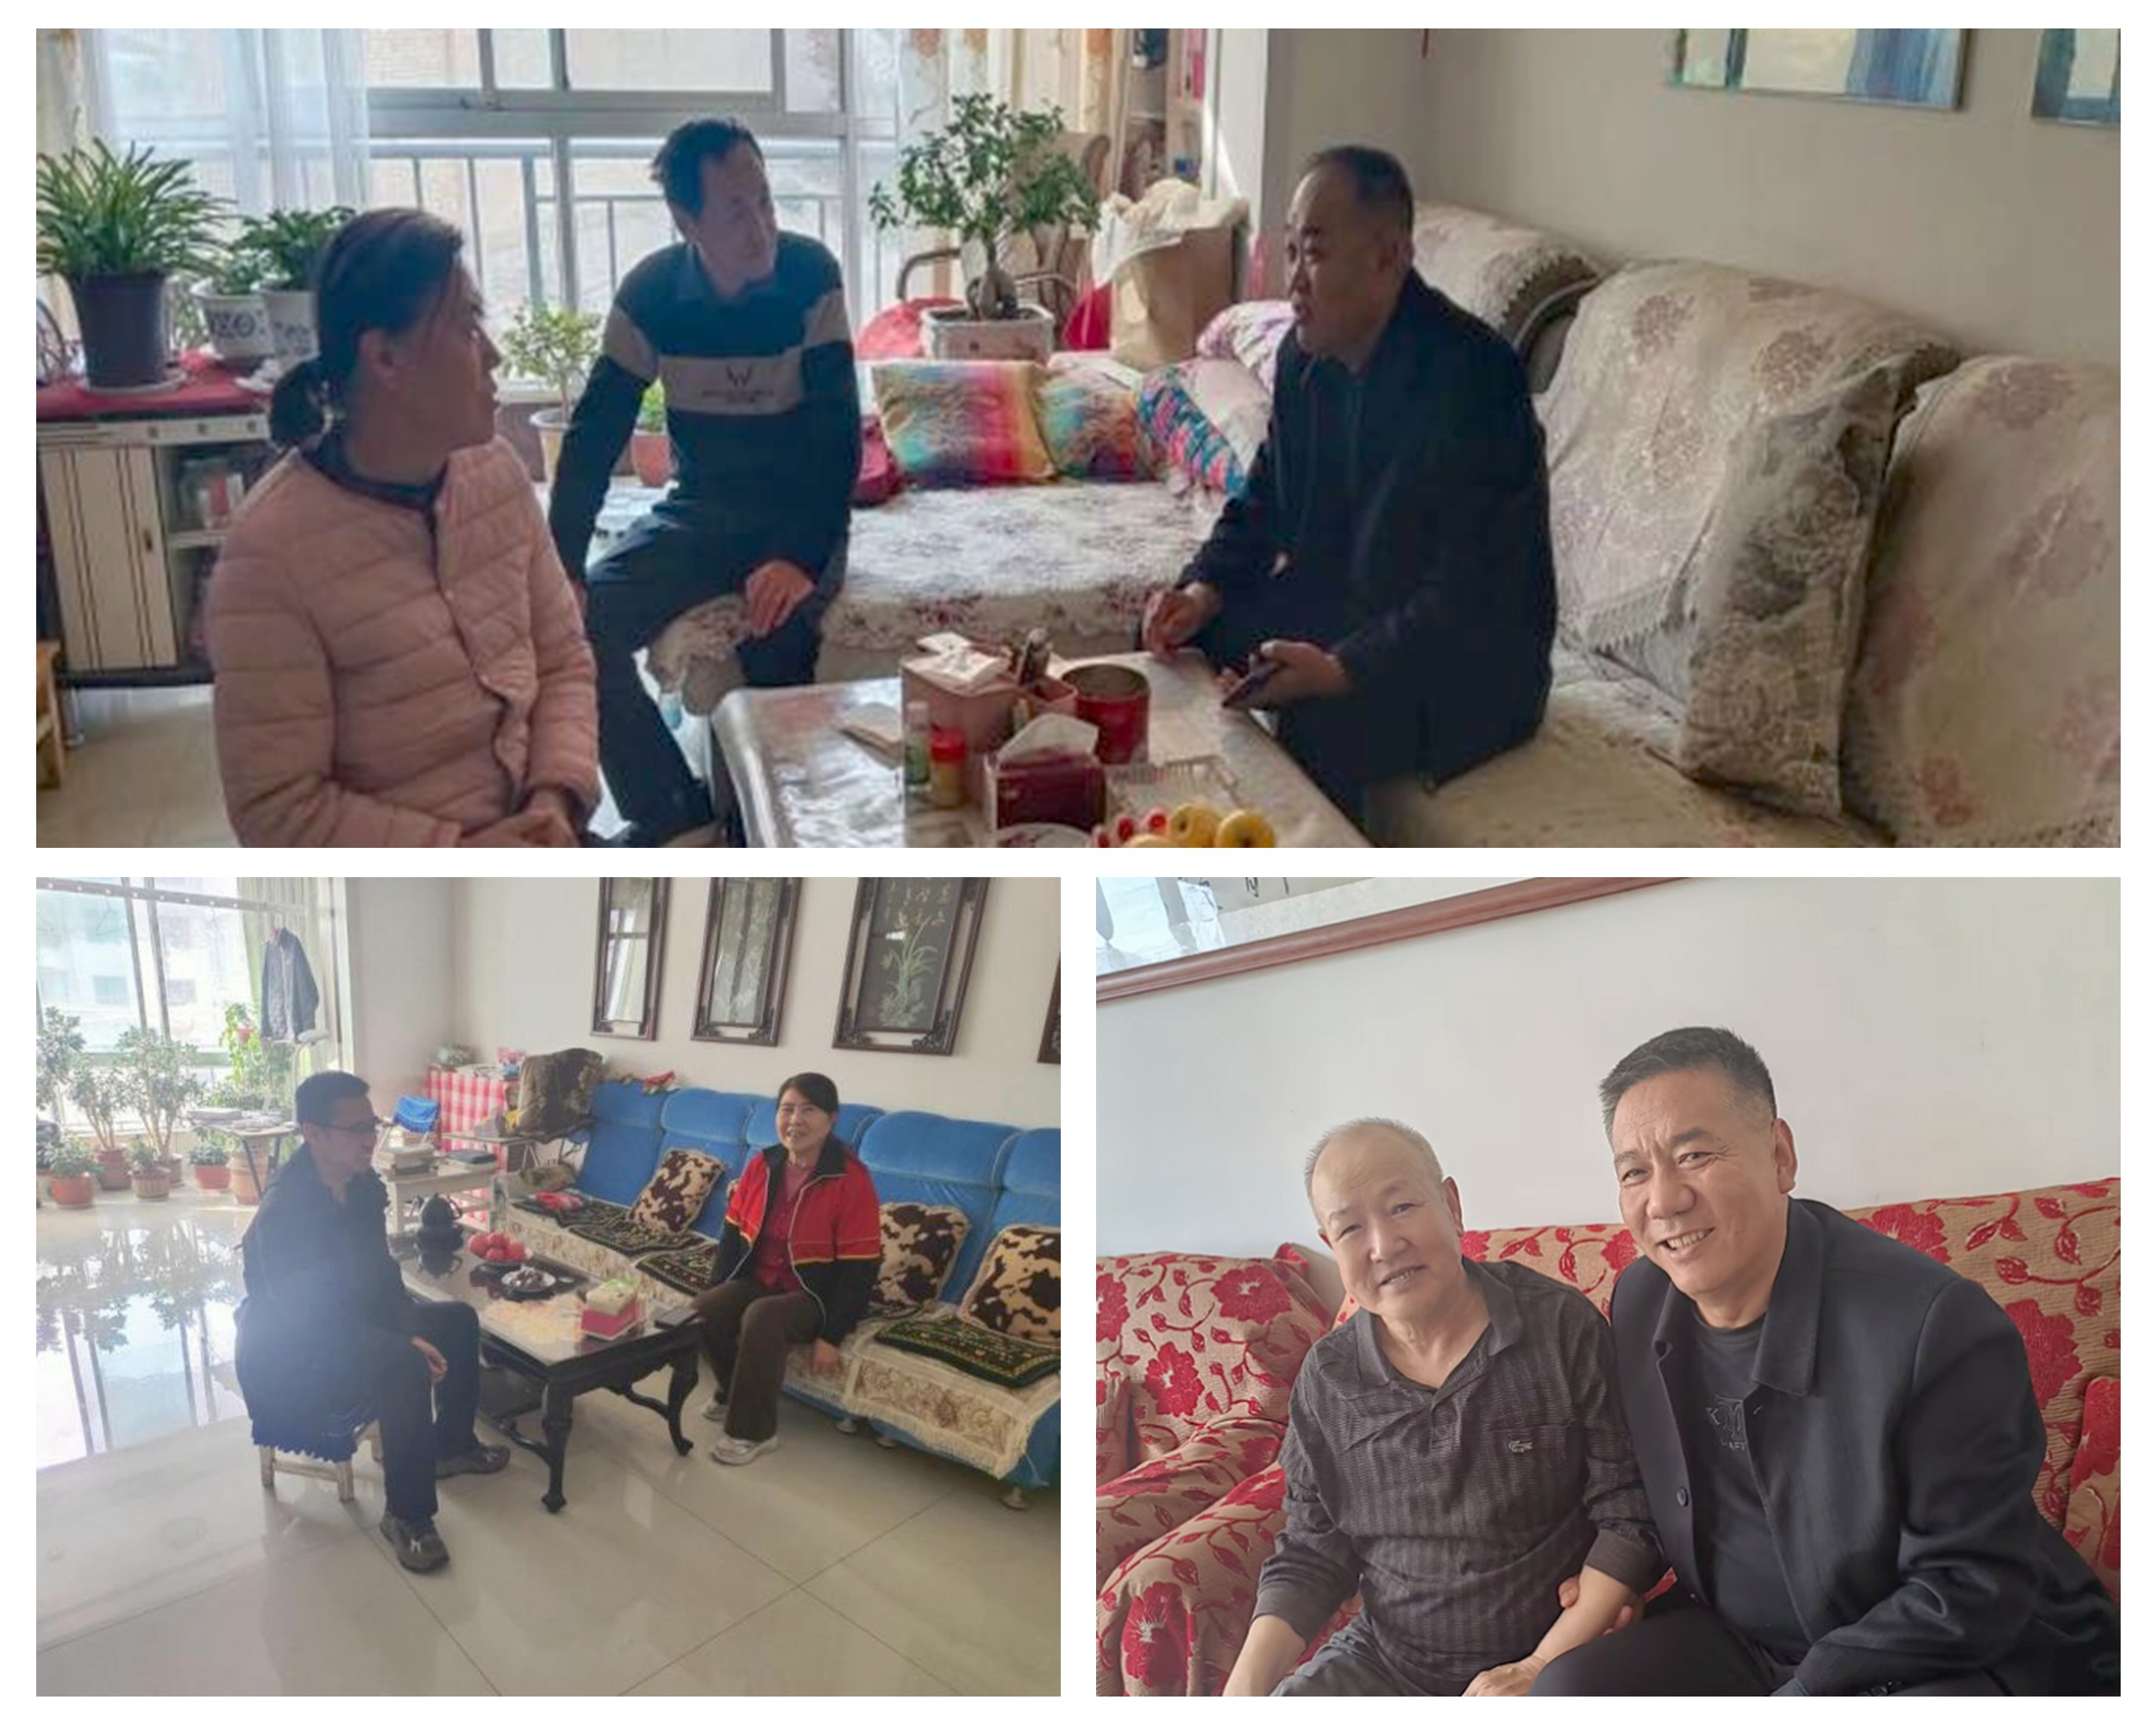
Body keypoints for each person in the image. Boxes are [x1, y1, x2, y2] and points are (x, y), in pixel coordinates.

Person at [1532, 1027, 2121, 1696]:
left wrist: (1806, 1696)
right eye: (1634, 1171)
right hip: (1741, 1637)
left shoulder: (1936, 1326)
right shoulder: (1642, 1299)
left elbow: (1970, 1587)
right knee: (1566, 1694)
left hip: (1934, 1648)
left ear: (1780, 1157)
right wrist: (1609, 1592)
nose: (1663, 1201)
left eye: (1694, 1155)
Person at [1140, 146, 1555, 829]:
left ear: (1388, 258)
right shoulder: (1304, 358)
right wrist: (1200, 591)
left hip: (1467, 655)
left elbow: (1470, 594)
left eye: (1314, 254)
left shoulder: (1475, 377)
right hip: (1349, 607)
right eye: (1290, 252)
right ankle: (1185, 820)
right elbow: (1264, 502)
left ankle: (1310, 883)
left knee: (1322, 716)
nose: (1293, 280)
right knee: (1195, 632)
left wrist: (1341, 669)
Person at [1222, 1119, 1661, 1696]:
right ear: (1331, 1245)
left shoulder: (1561, 1330)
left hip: (1550, 1654)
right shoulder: (1328, 1380)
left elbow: (1630, 1513)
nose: (1384, 1245)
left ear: (1452, 1205)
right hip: (1386, 1662)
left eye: (1402, 1207)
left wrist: (1538, 1666)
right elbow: (1311, 1553)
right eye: (1351, 1227)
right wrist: (1243, 1691)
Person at [206, 209, 598, 847]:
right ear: (386, 357)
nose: (494, 353)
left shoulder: (496, 472)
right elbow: (278, 810)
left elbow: (563, 661)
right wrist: (459, 853)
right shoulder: (270, 556)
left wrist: (554, 800)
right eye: (467, 326)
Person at [549, 116, 862, 845]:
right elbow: (595, 434)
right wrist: (562, 564)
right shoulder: (652, 294)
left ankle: (781, 836)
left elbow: (836, 438)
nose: (761, 228)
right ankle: (675, 816)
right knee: (576, 632)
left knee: (776, 643)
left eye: (766, 202)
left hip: (797, 514)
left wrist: (799, 557)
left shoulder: (810, 275)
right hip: (701, 511)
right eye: (735, 212)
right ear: (686, 222)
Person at [235, 1071, 509, 1573]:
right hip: (292, 1350)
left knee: (457, 1321)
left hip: (350, 1318)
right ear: (313, 1134)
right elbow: (305, 1320)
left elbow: (382, 1276)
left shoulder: (361, 1188)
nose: (371, 1139)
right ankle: (409, 1516)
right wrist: (400, 1342)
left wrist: (406, 1328)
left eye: (373, 1125)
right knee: (402, 1365)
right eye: (357, 1129)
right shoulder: (285, 1212)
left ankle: (451, 1447)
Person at [689, 1073, 881, 1465]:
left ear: (832, 1118)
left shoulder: (851, 1178)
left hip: (815, 1295)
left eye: (808, 1110)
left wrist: (831, 1335)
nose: (795, 1120)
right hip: (761, 1278)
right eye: (787, 1109)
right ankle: (733, 1394)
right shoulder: (763, 1164)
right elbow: (732, 1235)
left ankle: (753, 1432)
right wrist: (716, 1288)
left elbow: (860, 1268)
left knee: (763, 1317)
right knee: (704, 1309)